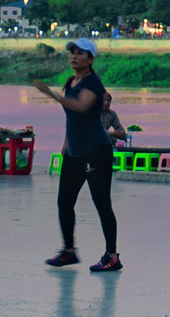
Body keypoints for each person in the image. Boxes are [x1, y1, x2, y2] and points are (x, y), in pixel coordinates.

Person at [31, 38, 121, 272]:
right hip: (75, 152)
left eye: (80, 53)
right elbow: (73, 119)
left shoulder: (94, 83)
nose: (74, 56)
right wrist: (65, 144)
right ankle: (69, 251)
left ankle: (112, 256)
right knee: (64, 202)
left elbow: (81, 107)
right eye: (72, 52)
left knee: (101, 203)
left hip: (96, 151)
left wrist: (52, 94)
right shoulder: (72, 81)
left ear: (90, 59)